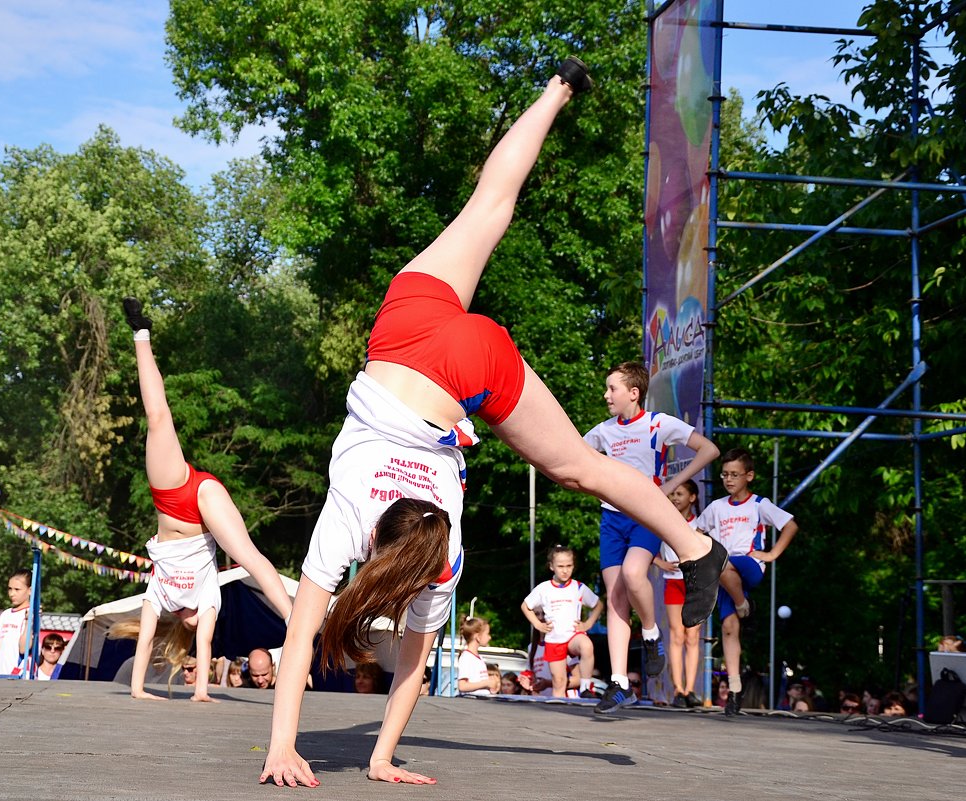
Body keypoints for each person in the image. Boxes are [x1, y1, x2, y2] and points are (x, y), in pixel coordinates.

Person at [260, 59, 728, 788]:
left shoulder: (440, 555)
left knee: (577, 465)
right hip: (402, 331)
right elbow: (307, 638)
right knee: (490, 202)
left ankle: (695, 545)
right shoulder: (354, 515)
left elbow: (389, 659)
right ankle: (561, 86)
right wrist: (303, 744)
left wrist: (315, 751)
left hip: (461, 370)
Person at [117, 298, 294, 704]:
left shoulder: (158, 595)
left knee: (158, 417)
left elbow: (145, 639)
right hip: (202, 505)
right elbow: (206, 644)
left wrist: (139, 689)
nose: (198, 622)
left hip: (173, 496)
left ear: (181, 624)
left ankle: (140, 332)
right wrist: (200, 690)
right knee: (249, 557)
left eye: (192, 624)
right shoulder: (206, 596)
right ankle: (294, 620)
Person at [584, 362, 721, 714]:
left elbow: (709, 450)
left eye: (612, 388)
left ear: (634, 392)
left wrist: (672, 485)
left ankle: (650, 632)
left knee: (633, 574)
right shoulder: (602, 431)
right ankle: (618, 684)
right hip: (611, 518)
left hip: (646, 514)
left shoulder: (659, 424)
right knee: (615, 596)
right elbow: (576, 461)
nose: (606, 395)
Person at [696, 448, 798, 716]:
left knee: (723, 562)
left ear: (749, 476)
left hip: (750, 565)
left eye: (735, 475)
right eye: (725, 474)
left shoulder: (759, 504)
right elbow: (696, 533)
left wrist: (772, 554)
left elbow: (790, 525)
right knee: (729, 628)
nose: (729, 480)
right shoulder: (715, 507)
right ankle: (735, 689)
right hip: (725, 573)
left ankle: (744, 604)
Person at [520, 545, 603, 698]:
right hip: (554, 639)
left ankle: (585, 687)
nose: (565, 570)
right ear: (552, 566)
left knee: (586, 645)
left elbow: (598, 605)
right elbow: (525, 606)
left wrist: (588, 624)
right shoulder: (543, 588)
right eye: (560, 566)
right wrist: (538, 624)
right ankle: (558, 710)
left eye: (569, 566)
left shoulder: (578, 587)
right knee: (559, 681)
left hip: (572, 636)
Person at [654, 479, 704, 708]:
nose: (675, 498)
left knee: (693, 637)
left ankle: (691, 690)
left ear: (692, 498)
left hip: (696, 585)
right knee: (676, 635)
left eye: (680, 493)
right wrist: (660, 563)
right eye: (672, 493)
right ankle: (678, 689)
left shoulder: (701, 523)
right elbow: (644, 547)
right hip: (673, 581)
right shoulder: (662, 521)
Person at [0, 570, 31, 675]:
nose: (12, 594)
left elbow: (23, 649)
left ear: (30, 590)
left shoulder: (32, 614)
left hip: (18, 675)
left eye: (17, 589)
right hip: (0, 675)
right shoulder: (5, 614)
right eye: (10, 589)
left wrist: (28, 621)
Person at [456, 616, 493, 696]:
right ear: (478, 636)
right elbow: (462, 686)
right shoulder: (466, 658)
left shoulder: (478, 658)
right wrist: (486, 683)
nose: (489, 637)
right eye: (487, 634)